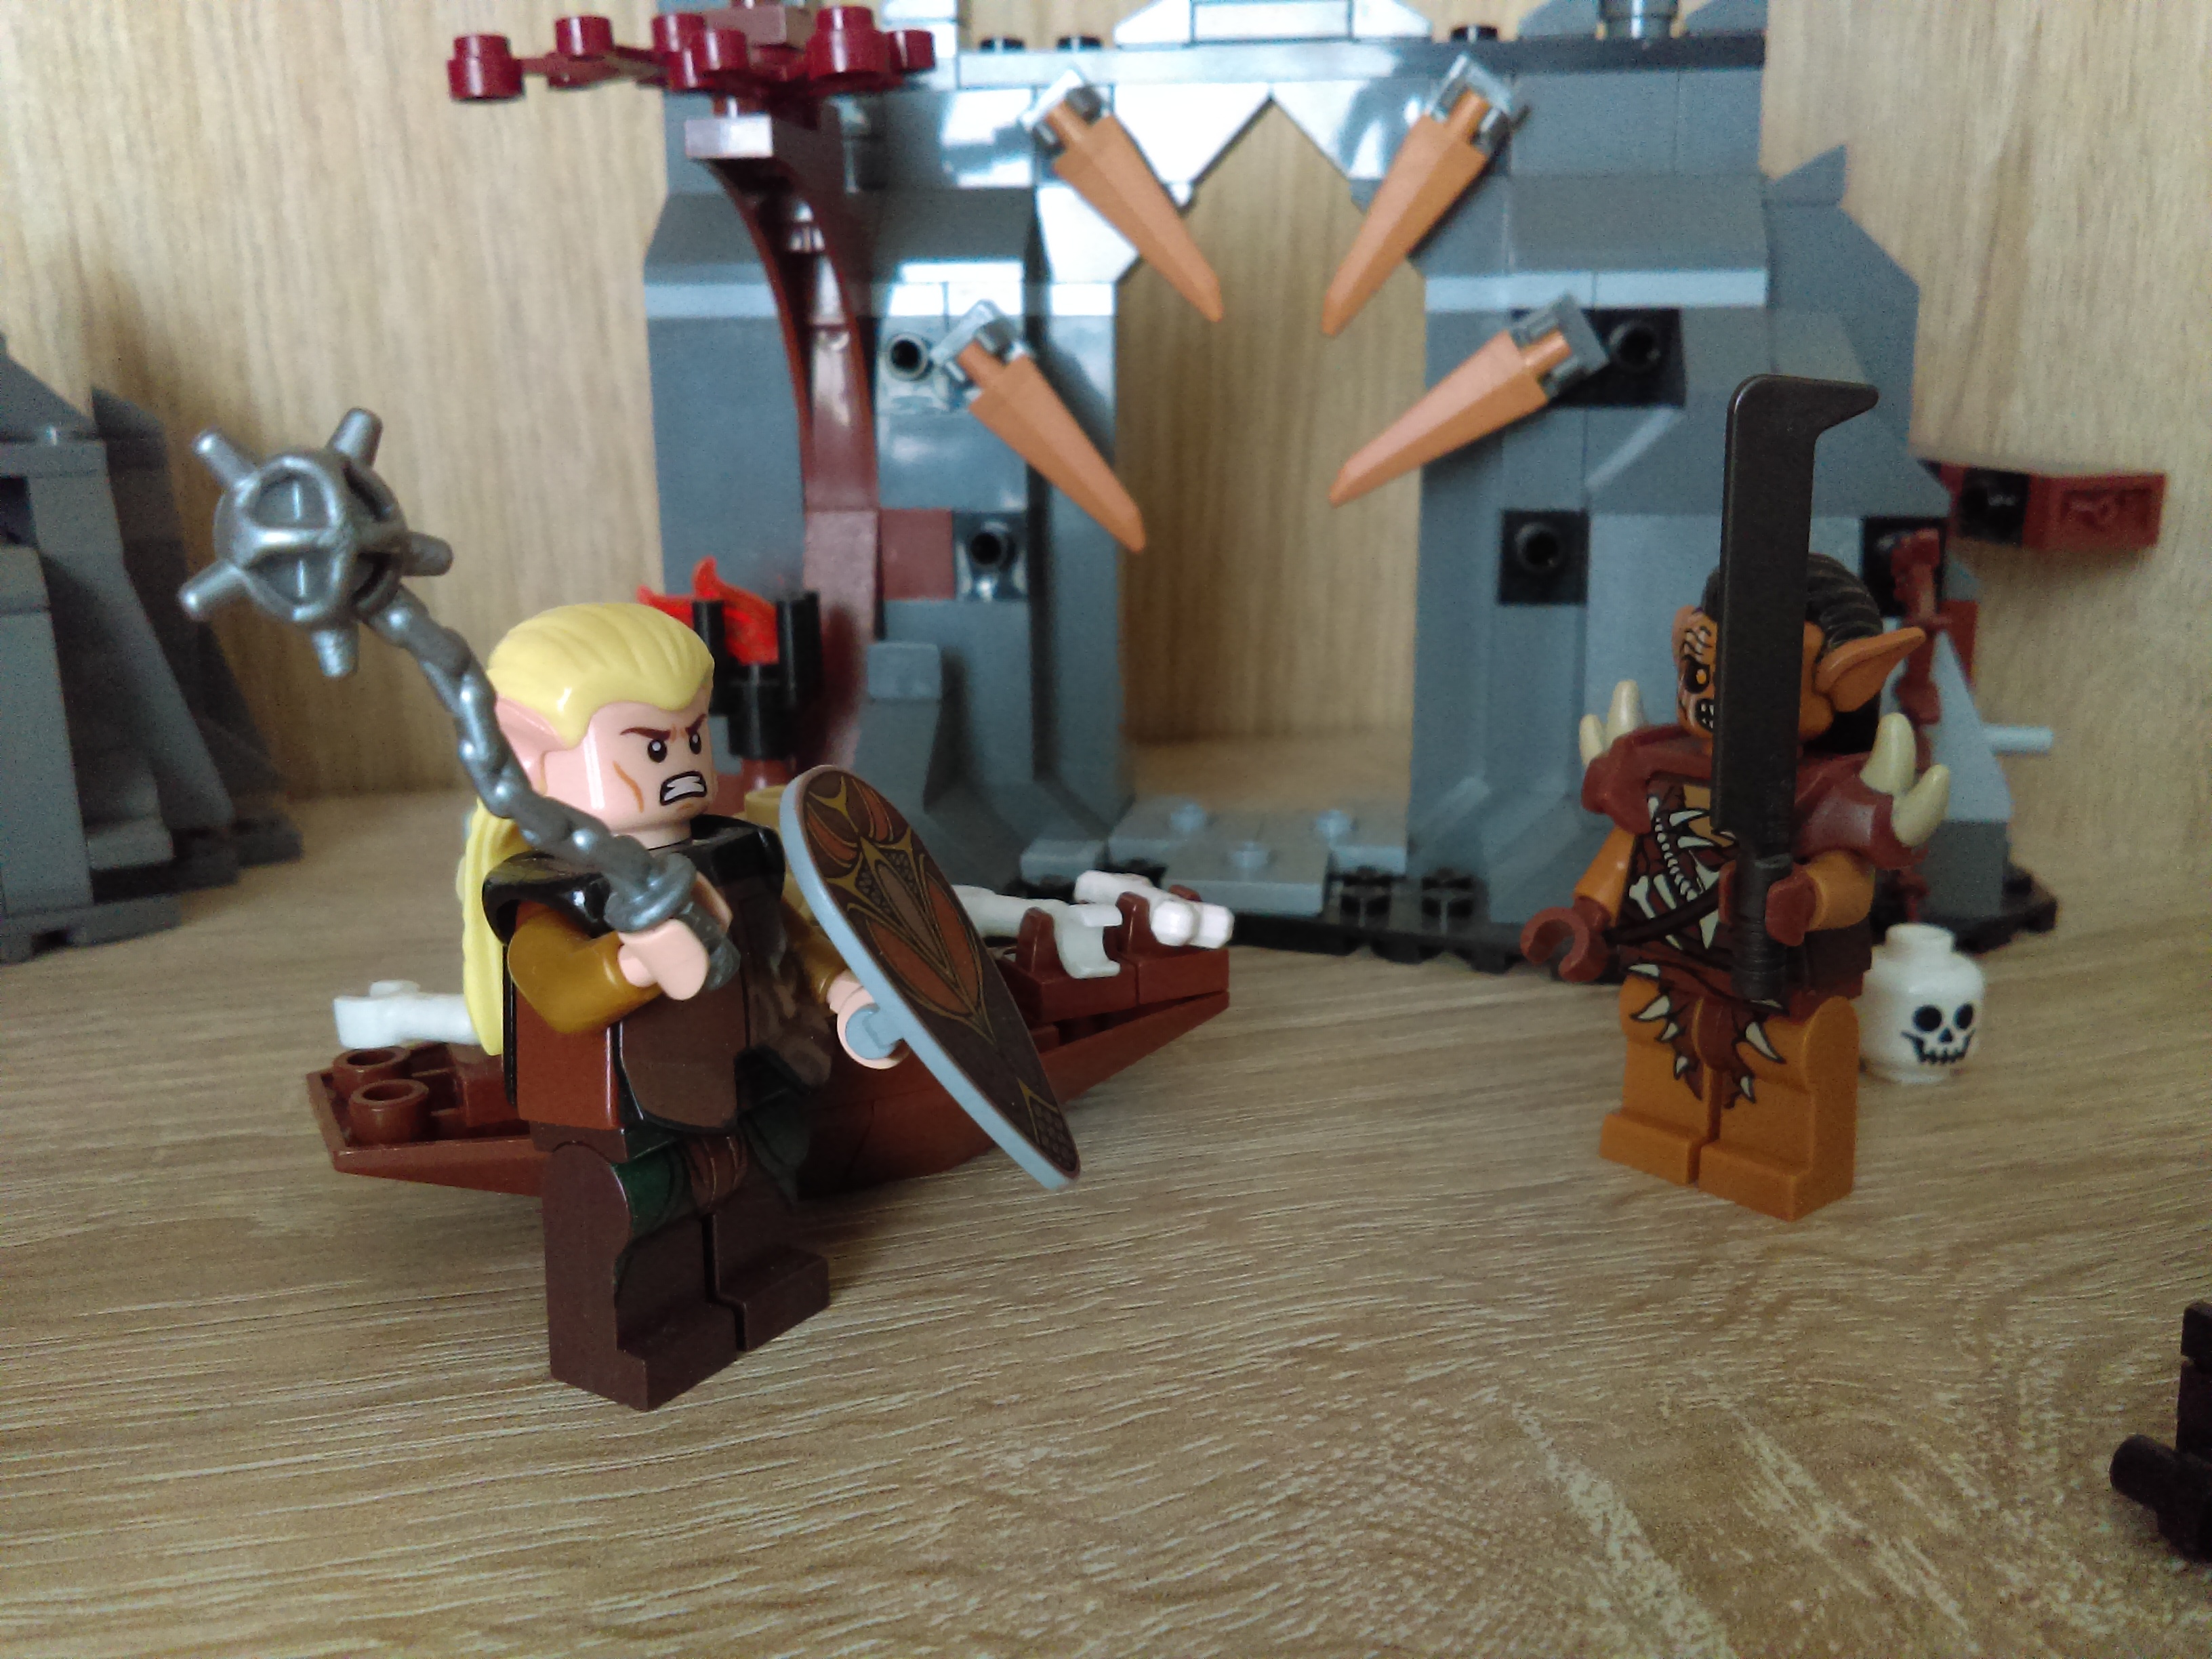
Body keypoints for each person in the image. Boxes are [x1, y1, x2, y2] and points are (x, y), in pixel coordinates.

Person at [454, 602, 883, 1407]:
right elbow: (559, 991)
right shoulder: (551, 895)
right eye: (652, 746)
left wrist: (841, 990)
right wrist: (634, 961)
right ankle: (636, 1330)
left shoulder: (729, 851)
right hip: (627, 1105)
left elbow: (784, 937)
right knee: (639, 1204)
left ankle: (756, 1275)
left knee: (767, 1162)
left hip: (747, 1067)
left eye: (691, 736)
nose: (681, 762)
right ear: (529, 760)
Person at [1521, 556, 1947, 1221]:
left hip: (1777, 980)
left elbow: (1851, 886)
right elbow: (1628, 849)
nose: (1713, 697)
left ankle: (1779, 1159)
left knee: (1790, 1058)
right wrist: (1586, 914)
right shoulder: (1660, 765)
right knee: (1652, 1030)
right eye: (1700, 672)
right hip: (1671, 961)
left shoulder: (1824, 789)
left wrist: (1806, 898)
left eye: (1753, 686)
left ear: (1845, 683)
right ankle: (1663, 1130)